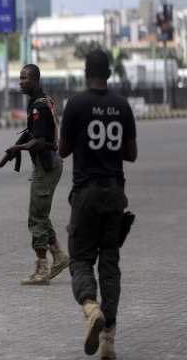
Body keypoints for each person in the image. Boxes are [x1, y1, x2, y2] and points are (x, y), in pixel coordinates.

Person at [59, 49, 137, 359]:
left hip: (86, 193)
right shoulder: (122, 105)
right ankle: (109, 341)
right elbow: (131, 153)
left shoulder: (76, 104)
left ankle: (91, 307)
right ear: (109, 73)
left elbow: (63, 150)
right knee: (110, 262)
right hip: (115, 192)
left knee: (80, 259)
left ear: (85, 72)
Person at [5, 64, 69, 285]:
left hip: (46, 166)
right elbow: (34, 134)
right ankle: (59, 256)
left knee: (36, 217)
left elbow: (40, 141)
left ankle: (42, 269)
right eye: (20, 78)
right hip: (49, 164)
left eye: (25, 78)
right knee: (41, 214)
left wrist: (18, 149)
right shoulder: (43, 101)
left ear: (36, 80)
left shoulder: (38, 107)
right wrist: (18, 147)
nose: (21, 82)